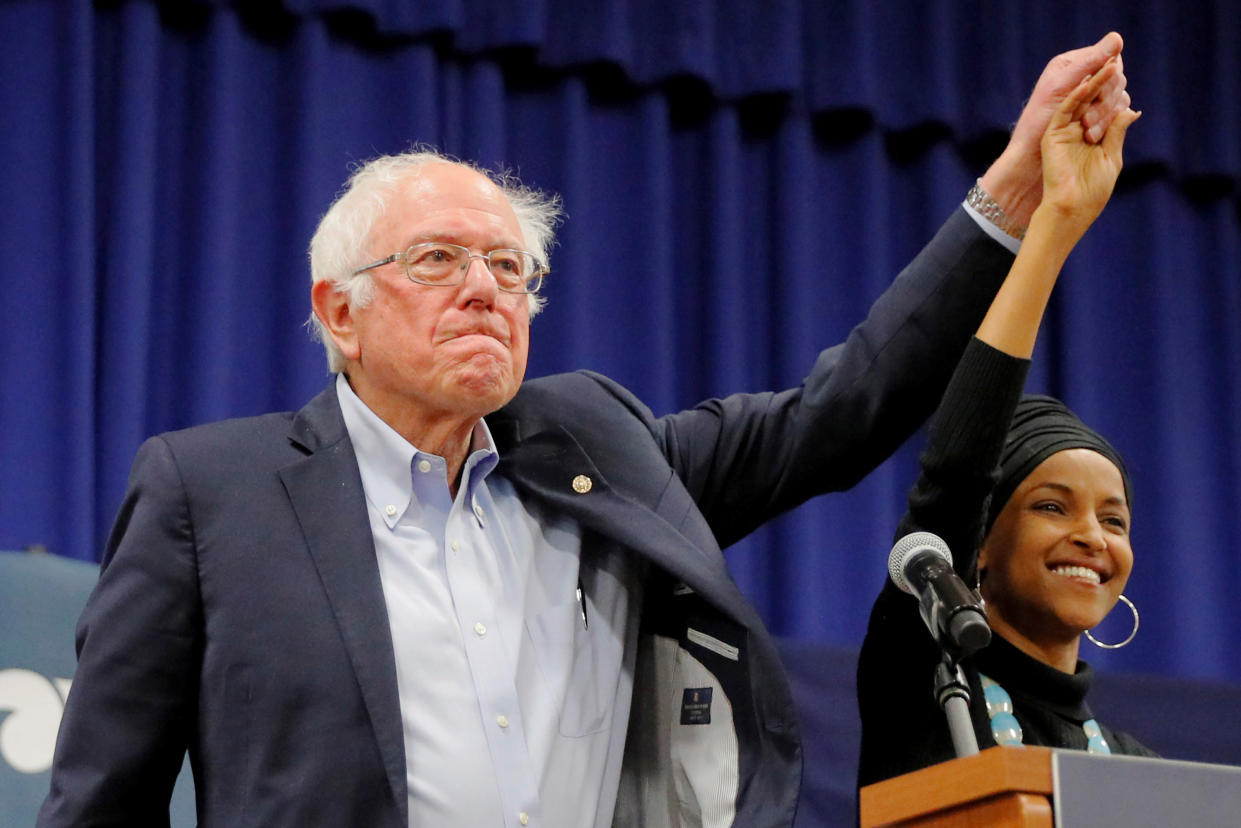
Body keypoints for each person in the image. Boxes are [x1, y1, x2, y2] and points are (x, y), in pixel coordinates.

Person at [39, 34, 1131, 828]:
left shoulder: (598, 446)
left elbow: (838, 414)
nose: (484, 290)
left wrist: (1010, 193)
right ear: (340, 315)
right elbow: (102, 801)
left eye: (509, 268)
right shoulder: (210, 492)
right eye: (437, 262)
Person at [856, 66, 1152, 789]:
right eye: (1052, 506)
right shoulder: (923, 678)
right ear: (977, 546)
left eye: (1113, 521)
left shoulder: (1141, 774)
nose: (1092, 536)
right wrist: (1053, 225)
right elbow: (957, 469)